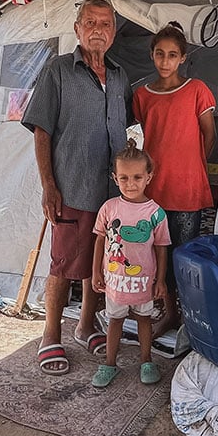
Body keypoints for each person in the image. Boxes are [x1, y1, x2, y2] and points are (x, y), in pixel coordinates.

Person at [21, 0, 132, 375]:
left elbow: (124, 128)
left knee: (99, 263)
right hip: (71, 186)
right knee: (64, 263)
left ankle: (86, 325)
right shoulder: (58, 71)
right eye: (90, 22)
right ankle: (51, 335)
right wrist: (48, 186)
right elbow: (41, 131)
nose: (97, 29)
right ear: (77, 28)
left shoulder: (120, 77)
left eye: (105, 23)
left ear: (113, 32)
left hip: (111, 193)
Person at [131, 23, 216, 337]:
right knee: (158, 256)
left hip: (187, 189)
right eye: (159, 54)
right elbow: (143, 136)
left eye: (172, 55)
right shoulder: (142, 95)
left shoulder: (197, 90)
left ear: (182, 58)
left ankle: (193, 317)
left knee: (186, 256)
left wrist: (191, 166)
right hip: (154, 189)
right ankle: (170, 313)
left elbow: (209, 134)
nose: (165, 61)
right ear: (152, 56)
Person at [90, 141, 171, 387]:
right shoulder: (109, 208)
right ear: (115, 178)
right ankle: (110, 364)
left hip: (143, 281)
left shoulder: (156, 213)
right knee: (114, 320)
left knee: (144, 319)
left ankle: (146, 360)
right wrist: (95, 272)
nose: (130, 183)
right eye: (124, 178)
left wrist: (160, 280)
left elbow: (161, 248)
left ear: (149, 176)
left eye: (137, 177)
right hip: (115, 281)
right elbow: (100, 241)